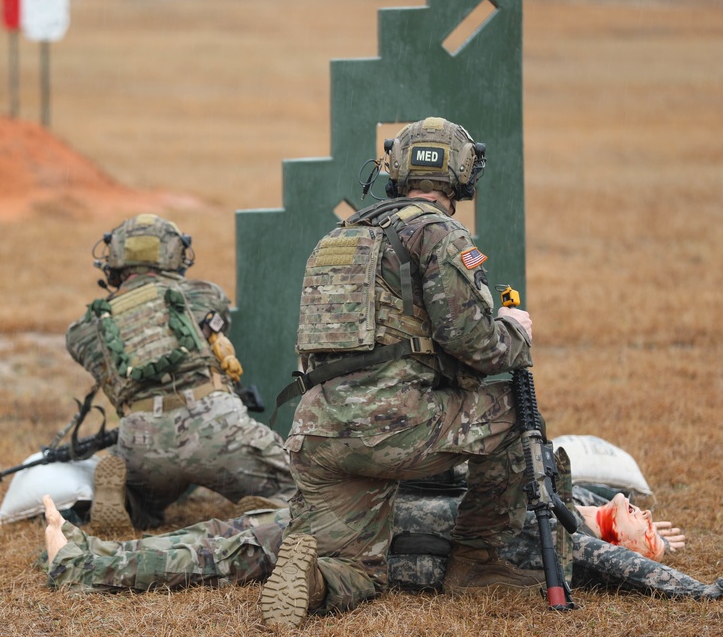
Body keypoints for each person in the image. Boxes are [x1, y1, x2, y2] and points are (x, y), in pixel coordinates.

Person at [259, 117, 541, 627]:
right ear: (460, 171)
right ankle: (476, 562)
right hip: (395, 428)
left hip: (317, 433)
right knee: (517, 415)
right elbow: (475, 344)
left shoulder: (340, 237)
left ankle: (313, 578)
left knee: (359, 570)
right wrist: (515, 330)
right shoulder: (439, 232)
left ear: (397, 167)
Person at [39, 484, 716, 600]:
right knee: (228, 538)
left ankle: (80, 562)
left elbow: (633, 571)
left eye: (641, 522)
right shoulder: (562, 506)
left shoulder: (561, 546)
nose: (633, 508)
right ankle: (88, 551)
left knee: (224, 551)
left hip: (370, 535)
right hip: (367, 516)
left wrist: (697, 586)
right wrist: (604, 510)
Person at [64, 213, 295, 530]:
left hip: (142, 439)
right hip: (214, 426)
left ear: (113, 257)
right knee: (298, 485)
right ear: (174, 252)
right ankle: (272, 503)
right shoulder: (203, 295)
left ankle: (126, 499)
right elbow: (220, 319)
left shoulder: (86, 327)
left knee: (144, 502)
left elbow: (94, 359)